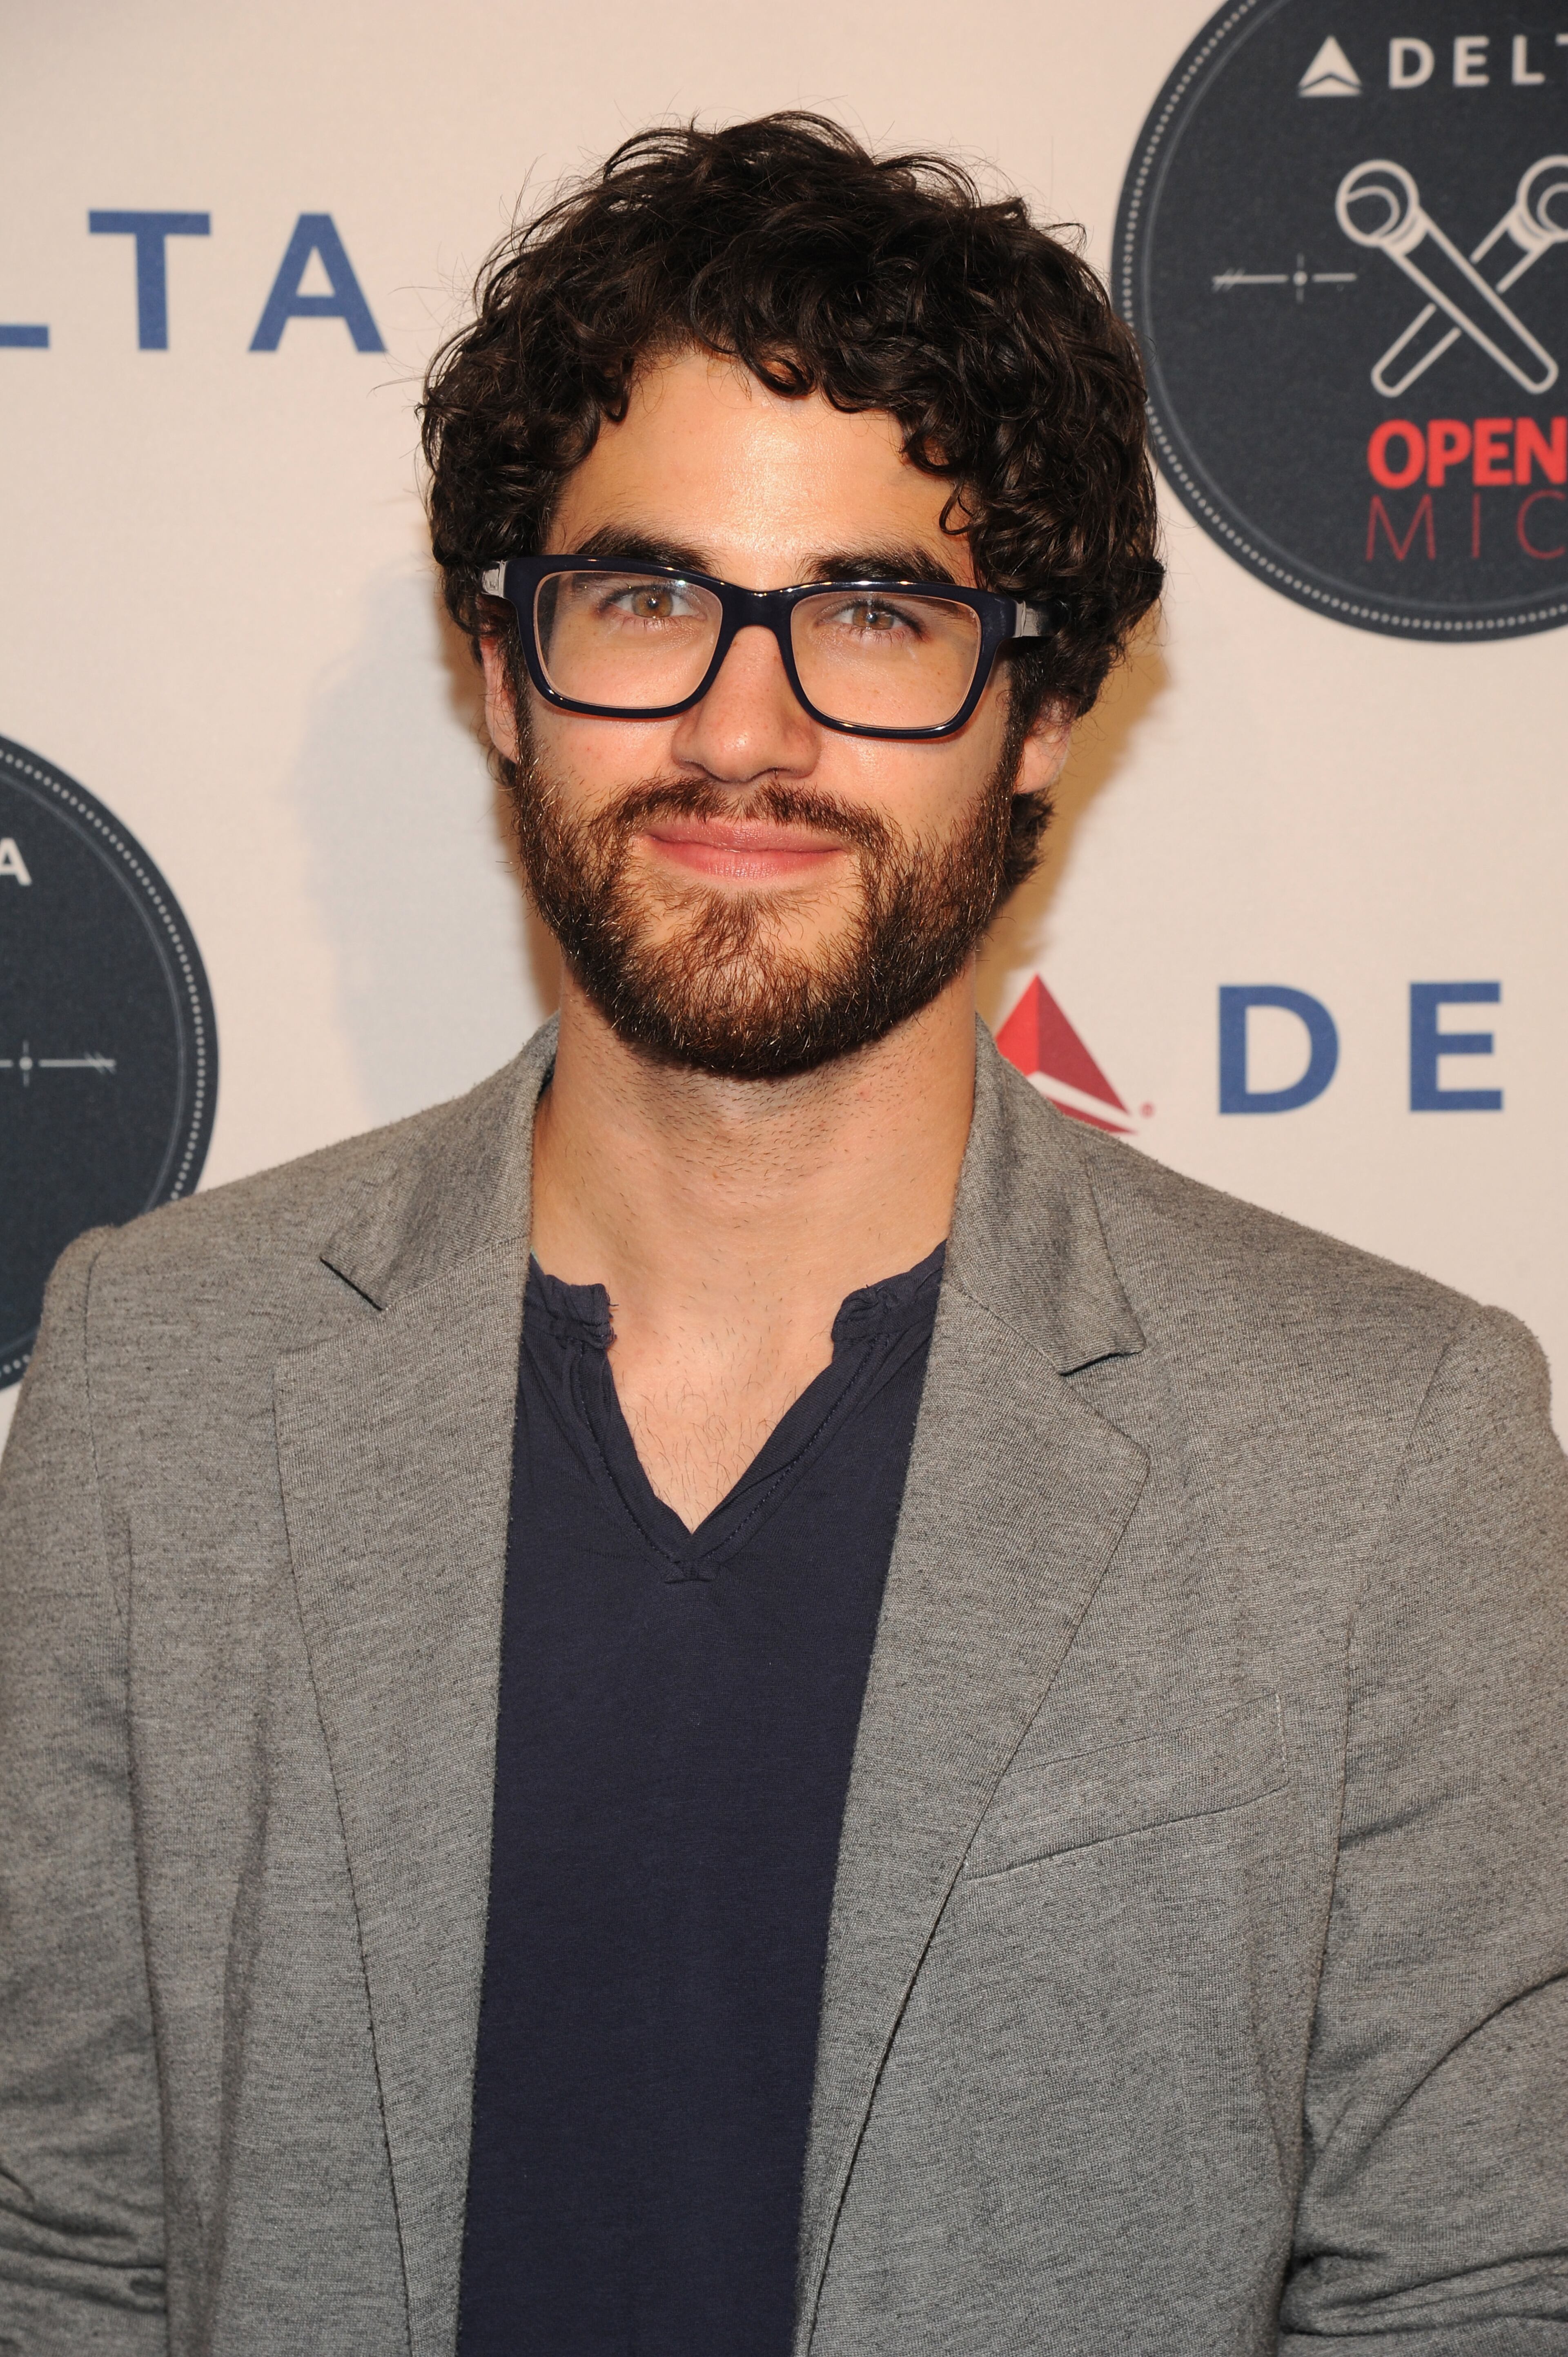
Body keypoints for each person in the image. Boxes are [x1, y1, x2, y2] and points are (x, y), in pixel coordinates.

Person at [1, 112, 1564, 2357]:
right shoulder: (157, 1375)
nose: (747, 732)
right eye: (647, 598)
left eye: (875, 615)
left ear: (1037, 714)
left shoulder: (1385, 1452)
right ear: (502, 670)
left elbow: (1473, 2300)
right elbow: (56, 2246)